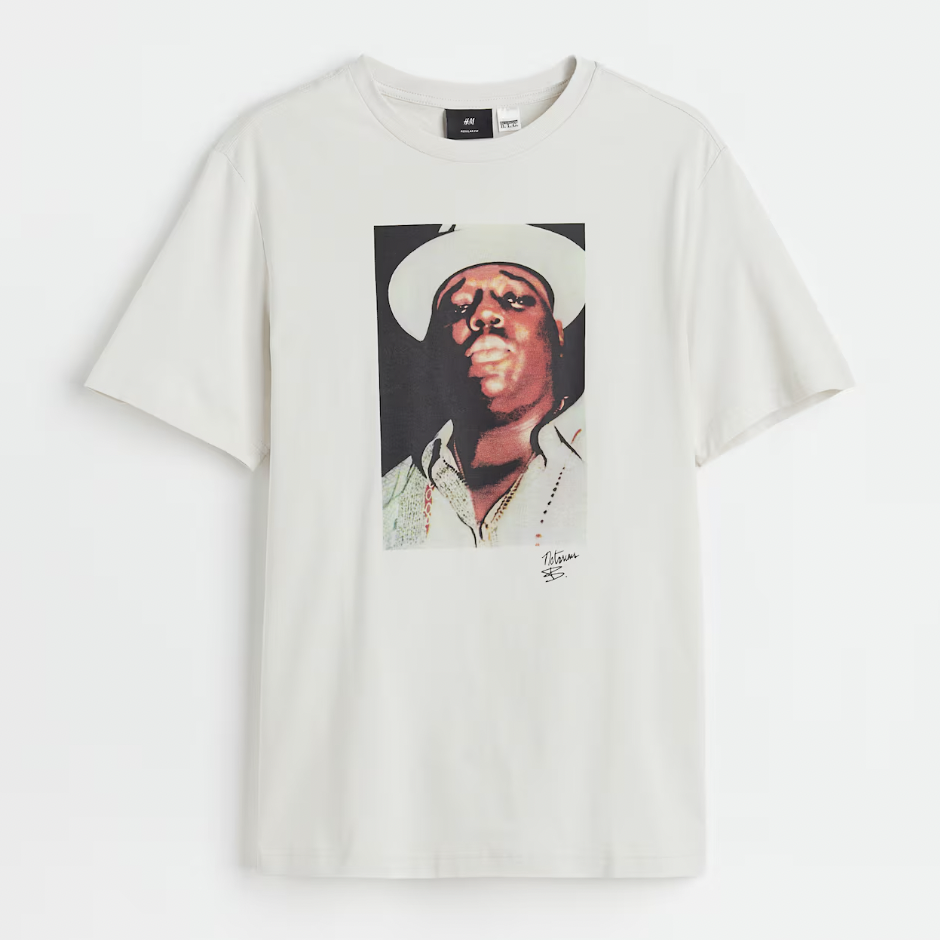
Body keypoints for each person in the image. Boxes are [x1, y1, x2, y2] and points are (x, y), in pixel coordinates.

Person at [381, 223, 586, 549]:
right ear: (435, 350)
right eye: (459, 306)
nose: (485, 313)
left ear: (557, 334)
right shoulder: (383, 506)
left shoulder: (618, 463)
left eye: (513, 298)